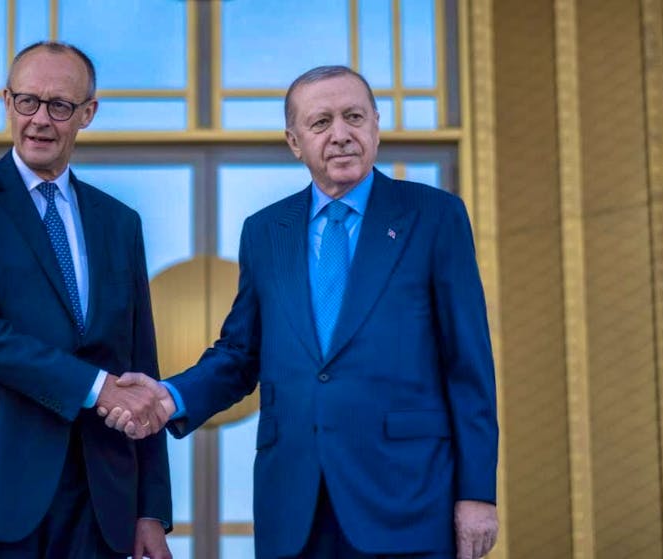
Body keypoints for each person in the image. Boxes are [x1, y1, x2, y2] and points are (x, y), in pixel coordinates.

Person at [102, 66, 499, 559]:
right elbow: (240, 354)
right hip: (293, 505)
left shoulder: (435, 216)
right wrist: (170, 397)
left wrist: (477, 493)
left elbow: (468, 365)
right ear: (294, 141)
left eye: (354, 117)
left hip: (409, 499)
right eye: (321, 122)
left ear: (376, 125)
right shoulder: (266, 231)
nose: (341, 134)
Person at [0, 41, 172, 559]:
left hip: (98, 502)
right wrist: (96, 387)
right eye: (27, 101)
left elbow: (140, 367)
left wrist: (150, 509)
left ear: (88, 113)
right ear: (7, 102)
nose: (40, 120)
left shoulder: (120, 223)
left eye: (60, 106)